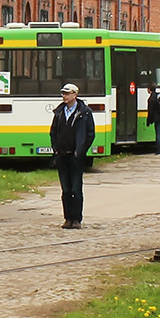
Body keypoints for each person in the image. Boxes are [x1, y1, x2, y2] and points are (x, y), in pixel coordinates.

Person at [49, 83, 95, 230]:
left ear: (75, 95)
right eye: (63, 94)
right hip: (62, 155)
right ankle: (68, 218)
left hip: (76, 157)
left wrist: (81, 150)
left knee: (76, 189)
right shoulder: (60, 112)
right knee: (66, 190)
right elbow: (53, 132)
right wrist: (56, 149)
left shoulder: (84, 112)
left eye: (67, 94)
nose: (64, 96)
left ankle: (77, 219)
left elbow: (90, 133)